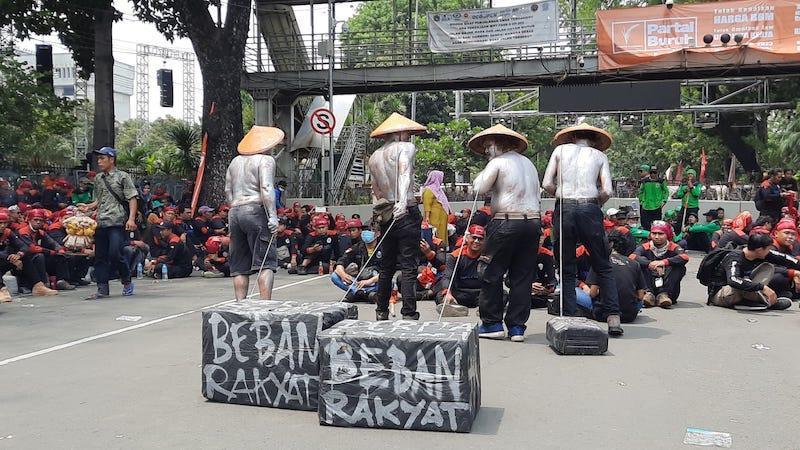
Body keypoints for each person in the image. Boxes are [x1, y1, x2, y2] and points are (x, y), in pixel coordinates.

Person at [543, 123, 623, 336]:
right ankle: (613, 317)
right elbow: (606, 189)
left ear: (573, 137)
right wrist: (593, 204)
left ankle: (568, 316)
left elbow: (547, 184)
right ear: (594, 140)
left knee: (566, 266)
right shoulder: (599, 156)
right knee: (603, 265)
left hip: (565, 206)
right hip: (590, 206)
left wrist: (563, 196)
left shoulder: (560, 150)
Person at [470, 124, 541, 342]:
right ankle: (517, 327)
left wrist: (485, 170)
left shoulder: (498, 162)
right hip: (532, 223)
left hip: (506, 222)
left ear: (499, 144)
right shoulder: (528, 163)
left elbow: (480, 188)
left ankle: (492, 323)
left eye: (488, 146)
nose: (486, 151)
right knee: (522, 276)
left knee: (491, 272)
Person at [367, 113, 426, 321]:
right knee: (409, 265)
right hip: (405, 209)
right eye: (407, 133)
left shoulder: (374, 157)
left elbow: (375, 190)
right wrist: (401, 202)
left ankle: (381, 310)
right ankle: (408, 312)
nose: (408, 137)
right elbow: (404, 173)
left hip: (385, 212)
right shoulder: (405, 148)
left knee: (387, 266)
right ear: (400, 133)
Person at [224, 126, 281, 300]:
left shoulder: (235, 162)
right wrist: (272, 216)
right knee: (266, 263)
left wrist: (235, 208)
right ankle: (265, 305)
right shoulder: (265, 160)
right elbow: (266, 187)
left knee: (239, 266)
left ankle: (240, 303)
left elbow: (227, 190)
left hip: (234, 211)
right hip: (255, 209)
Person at [80, 147, 139, 300]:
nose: (99, 161)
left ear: (111, 159)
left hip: (117, 221)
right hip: (101, 221)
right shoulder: (99, 178)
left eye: (102, 158)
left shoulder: (123, 176)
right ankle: (102, 288)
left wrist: (131, 219)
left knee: (115, 253)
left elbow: (132, 198)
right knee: (100, 256)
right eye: (98, 159)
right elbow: (99, 200)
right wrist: (88, 207)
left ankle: (126, 280)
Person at [708, 232, 795, 310]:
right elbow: (733, 280)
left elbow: (784, 258)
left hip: (743, 288)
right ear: (760, 250)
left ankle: (757, 300)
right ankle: (769, 302)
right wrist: (763, 288)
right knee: (743, 282)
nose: (769, 252)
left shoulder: (758, 252)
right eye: (768, 249)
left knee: (767, 267)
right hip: (721, 293)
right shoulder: (734, 257)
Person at [582, 229, 647, 323]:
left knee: (578, 291)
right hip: (630, 315)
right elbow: (640, 296)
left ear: (609, 244)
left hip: (603, 314)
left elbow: (593, 293)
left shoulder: (600, 261)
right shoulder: (634, 263)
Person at [633, 221, 689, 308]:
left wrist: (664, 262)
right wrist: (649, 263)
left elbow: (685, 257)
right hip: (648, 283)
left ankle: (663, 294)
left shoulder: (673, 246)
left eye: (660, 234)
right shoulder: (644, 246)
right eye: (654, 233)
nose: (656, 237)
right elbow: (632, 257)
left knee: (679, 267)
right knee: (640, 262)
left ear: (667, 234)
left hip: (668, 289)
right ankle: (648, 293)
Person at [16, 209, 73, 292]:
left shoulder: (41, 232)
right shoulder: (23, 232)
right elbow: (32, 248)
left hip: (38, 255)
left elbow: (53, 243)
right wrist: (51, 252)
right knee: (40, 256)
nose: (38, 222)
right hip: (26, 258)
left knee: (60, 256)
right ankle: (44, 282)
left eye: (41, 220)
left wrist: (60, 249)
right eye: (35, 220)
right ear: (29, 220)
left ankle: (61, 281)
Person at [436, 224, 485, 317]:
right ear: (467, 238)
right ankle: (454, 307)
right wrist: (447, 293)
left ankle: (483, 308)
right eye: (474, 238)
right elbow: (447, 276)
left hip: (482, 294)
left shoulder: (487, 256)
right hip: (460, 293)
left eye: (480, 239)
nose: (476, 241)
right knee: (440, 295)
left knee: (503, 295)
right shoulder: (454, 256)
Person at [331, 220, 380, 302]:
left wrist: (369, 281)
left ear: (378, 234)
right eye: (365, 231)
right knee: (335, 276)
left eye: (370, 231)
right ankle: (363, 293)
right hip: (359, 281)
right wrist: (343, 275)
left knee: (389, 283)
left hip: (375, 280)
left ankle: (356, 293)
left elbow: (387, 271)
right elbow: (341, 262)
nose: (366, 233)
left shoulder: (384, 248)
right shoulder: (357, 247)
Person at [420, 170, 452, 249]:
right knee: (435, 232)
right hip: (434, 217)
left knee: (442, 231)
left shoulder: (438, 190)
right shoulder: (428, 190)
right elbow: (427, 204)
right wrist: (427, 217)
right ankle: (436, 248)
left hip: (441, 218)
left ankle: (443, 247)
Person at [0, 211, 24, 301]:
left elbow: (23, 246)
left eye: (5, 223)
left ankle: (38, 285)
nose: (3, 226)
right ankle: (2, 289)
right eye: (0, 223)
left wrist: (19, 254)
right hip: (4, 259)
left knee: (29, 257)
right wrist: (10, 258)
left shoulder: (7, 232)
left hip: (5, 259)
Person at [638, 165, 669, 230]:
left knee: (656, 225)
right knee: (646, 225)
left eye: (654, 172)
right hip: (646, 206)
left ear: (657, 173)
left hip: (657, 206)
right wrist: (641, 201)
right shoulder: (645, 181)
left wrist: (664, 201)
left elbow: (666, 191)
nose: (653, 174)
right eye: (651, 172)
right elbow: (640, 191)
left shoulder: (661, 181)